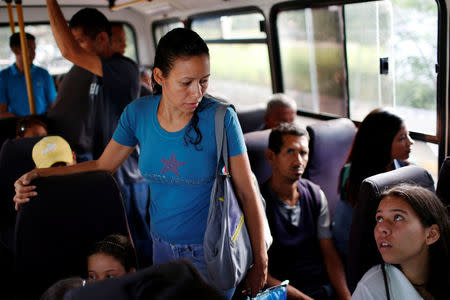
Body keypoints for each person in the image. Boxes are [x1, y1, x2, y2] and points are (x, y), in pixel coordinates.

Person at [14, 28, 268, 299]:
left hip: (213, 251)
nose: (197, 92)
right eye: (186, 82)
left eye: (204, 81)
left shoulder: (221, 119)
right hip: (161, 251)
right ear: (160, 76)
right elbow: (103, 165)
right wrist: (40, 174)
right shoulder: (138, 113)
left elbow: (246, 192)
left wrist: (261, 262)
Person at [44, 1, 152, 267]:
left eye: (81, 40)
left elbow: (68, 51)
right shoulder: (93, 73)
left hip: (127, 174)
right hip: (106, 170)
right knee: (118, 245)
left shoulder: (123, 69)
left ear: (102, 38)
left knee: (138, 244)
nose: (75, 47)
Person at [260, 123, 350, 300]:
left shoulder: (315, 194)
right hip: (285, 294)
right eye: (290, 152)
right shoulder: (259, 202)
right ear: (271, 156)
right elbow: (263, 274)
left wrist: (346, 297)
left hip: (321, 287)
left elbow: (329, 254)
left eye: (303, 153)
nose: (299, 161)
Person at [332, 108, 414, 261]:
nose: (410, 142)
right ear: (382, 143)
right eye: (402, 138)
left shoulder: (404, 168)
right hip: (360, 251)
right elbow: (349, 236)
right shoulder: (355, 178)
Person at [352, 184, 450, 300]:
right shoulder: (372, 289)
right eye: (379, 218)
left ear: (431, 235)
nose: (381, 228)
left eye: (398, 217)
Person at [0, 32, 57, 118]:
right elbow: (2, 110)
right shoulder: (4, 76)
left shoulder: (43, 74)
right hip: (16, 122)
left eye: (34, 49)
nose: (33, 53)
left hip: (41, 120)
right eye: (29, 48)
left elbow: (53, 104)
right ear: (15, 50)